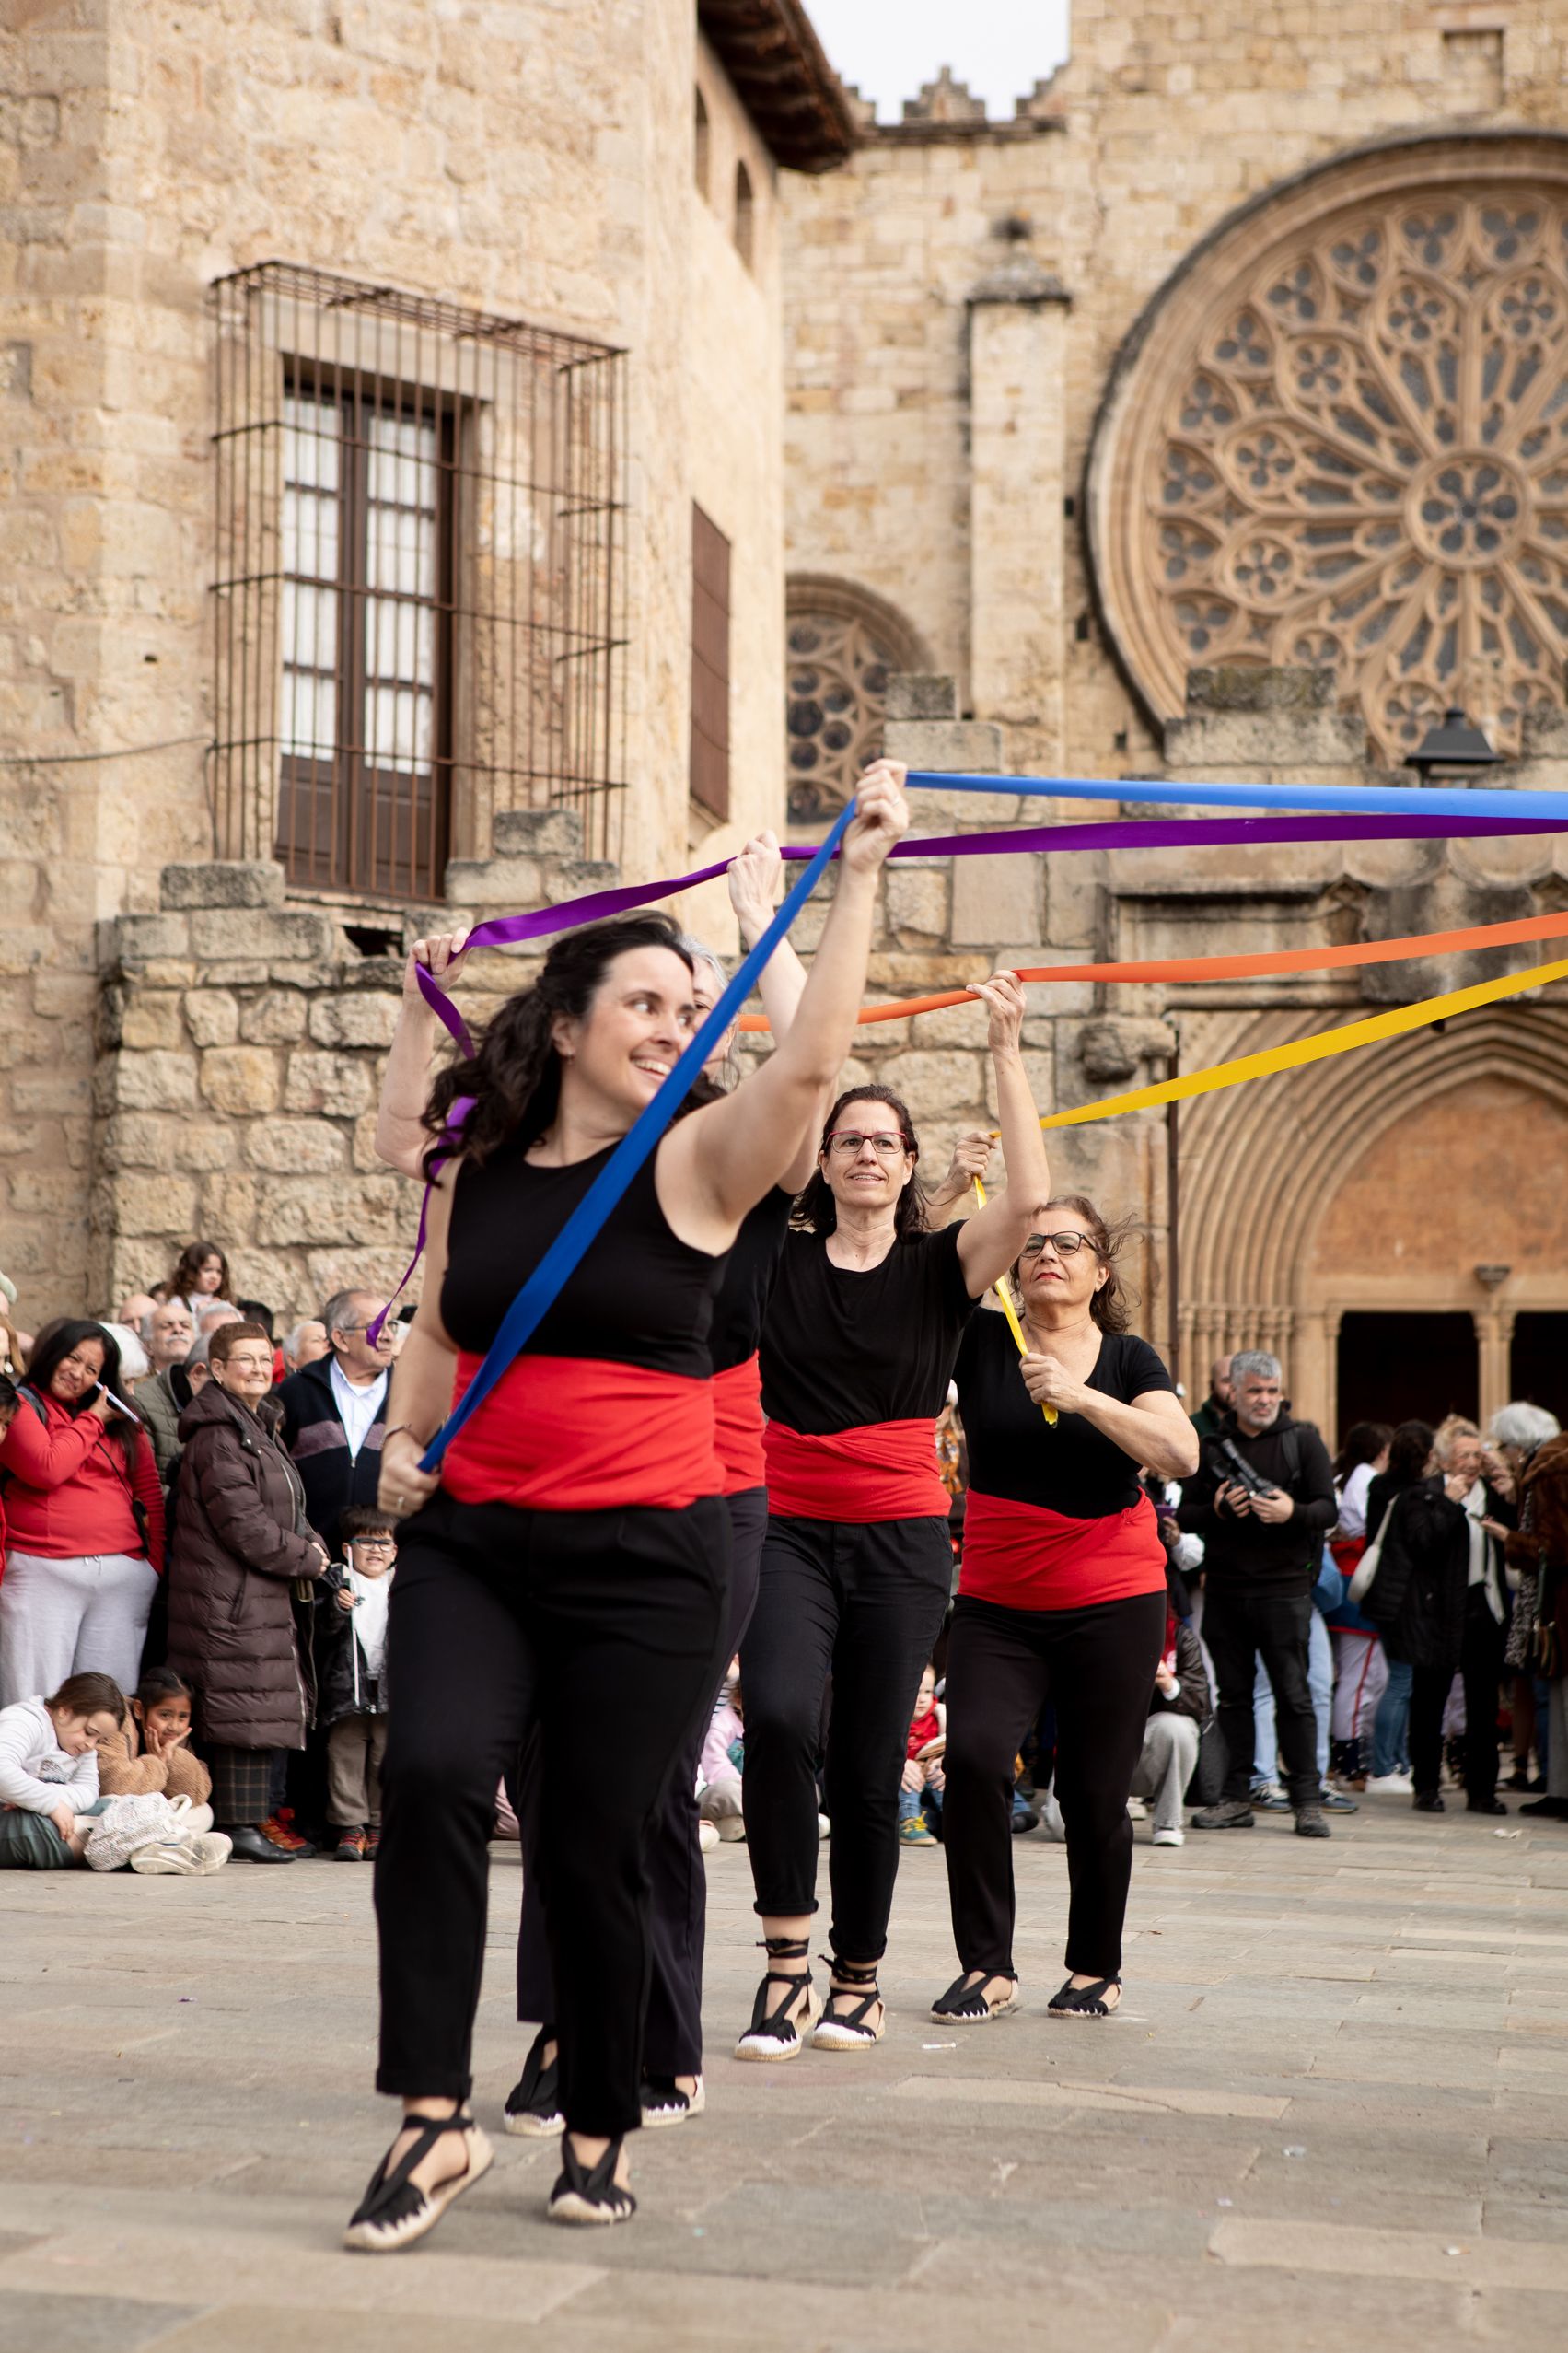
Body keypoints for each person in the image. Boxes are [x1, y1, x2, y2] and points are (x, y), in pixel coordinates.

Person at [355, 761, 911, 2244]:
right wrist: (402, 1447)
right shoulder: (479, 1161)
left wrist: (846, 883)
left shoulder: (699, 1163)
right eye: (649, 1001)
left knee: (597, 1835)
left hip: (646, 1558)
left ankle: (600, 2113)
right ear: (566, 1023)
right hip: (473, 1540)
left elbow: (806, 1067)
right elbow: (437, 1330)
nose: (677, 1020)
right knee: (428, 1784)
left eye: (688, 1003)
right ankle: (429, 2115)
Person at [504, 842, 830, 2140]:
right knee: (548, 1767)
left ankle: (652, 2031)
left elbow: (808, 1066)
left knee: (633, 1772)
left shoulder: (726, 1167)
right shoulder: (543, 1168)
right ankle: (563, 2020)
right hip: (544, 1489)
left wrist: (766, 922)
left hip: (703, 1492)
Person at [736, 977, 1049, 2067]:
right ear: (820, 1162)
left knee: (869, 1765)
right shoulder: (773, 1254)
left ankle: (856, 1978)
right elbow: (802, 1072)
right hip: (782, 1527)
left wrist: (1004, 1044)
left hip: (899, 1543)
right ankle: (783, 1958)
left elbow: (1025, 1194)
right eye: (847, 1140)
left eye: (884, 1140)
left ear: (911, 1164)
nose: (865, 1152)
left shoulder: (941, 1266)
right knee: (775, 1715)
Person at [932, 1200, 1198, 2023]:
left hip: (1111, 1597)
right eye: (1033, 1241)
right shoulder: (980, 1341)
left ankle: (1094, 1964)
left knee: (1092, 1790)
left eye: (1068, 1243)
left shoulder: (1126, 1358)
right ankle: (987, 1964)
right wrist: (948, 1189)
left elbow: (1179, 1451)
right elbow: (918, 1275)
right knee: (974, 1759)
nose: (1047, 1253)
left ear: (1099, 1270)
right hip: (998, 1596)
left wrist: (1082, 1397)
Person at [165, 1321, 329, 1862]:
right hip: (229, 1597)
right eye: (245, 1360)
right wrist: (309, 1557)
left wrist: (313, 1543)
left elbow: (289, 1509)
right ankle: (237, 1825)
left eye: (265, 1359)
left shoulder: (255, 1424)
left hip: (253, 1593)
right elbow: (247, 1527)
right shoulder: (218, 1434)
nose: (258, 1369)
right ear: (216, 1369)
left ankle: (250, 1820)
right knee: (240, 1709)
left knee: (254, 1704)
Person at [1176, 1350, 1337, 1838]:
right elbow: (1185, 1515)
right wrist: (1220, 1508)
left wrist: (1292, 1512)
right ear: (1235, 1393)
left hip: (1285, 1591)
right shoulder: (1211, 1445)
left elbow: (1328, 1511)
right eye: (1254, 1391)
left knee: (1294, 1695)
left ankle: (1307, 1800)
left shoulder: (1303, 1441)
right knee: (1234, 1698)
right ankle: (1234, 1797)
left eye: (1271, 1391)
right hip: (1226, 1588)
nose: (1264, 1400)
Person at [0, 1319, 166, 1709]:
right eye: (73, 1358)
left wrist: (151, 1566)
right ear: (53, 1353)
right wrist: (93, 1419)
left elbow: (149, 1491)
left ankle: (109, 1775)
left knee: (108, 1707)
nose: (78, 1373)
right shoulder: (21, 1404)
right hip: (45, 1573)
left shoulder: (122, 1420)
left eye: (92, 1369)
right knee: (34, 1702)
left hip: (121, 1578)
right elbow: (46, 1467)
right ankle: (27, 1774)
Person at [1361, 1417, 1513, 1812]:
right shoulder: (1422, 1494)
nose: (1472, 1463)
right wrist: (1448, 1500)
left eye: (1477, 1454)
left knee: (1483, 1705)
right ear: (1444, 1460)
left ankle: (1483, 1790)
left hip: (1484, 1605)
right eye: (1464, 1455)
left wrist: (1509, 1486)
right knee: (1430, 1701)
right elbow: (1422, 1542)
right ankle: (1426, 1786)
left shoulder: (1492, 1494)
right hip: (1437, 1610)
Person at [278, 1291, 396, 1556]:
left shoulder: (411, 1395)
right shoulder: (297, 1391)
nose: (388, 1335)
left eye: (392, 1325)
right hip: (309, 1562)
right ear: (341, 1338)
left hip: (385, 1568)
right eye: (376, 1326)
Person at [1493, 1404, 1568, 1822]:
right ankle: (1558, 1792)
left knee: (1561, 1699)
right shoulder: (1555, 1463)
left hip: (1559, 1602)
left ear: (1519, 1445)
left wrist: (1510, 1540)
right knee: (1555, 1698)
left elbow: (1555, 1547)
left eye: (1505, 1447)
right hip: (1555, 1601)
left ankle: (1562, 1792)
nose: (1505, 1456)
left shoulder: (1549, 1471)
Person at [315, 1505, 397, 1861]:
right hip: (346, 1689)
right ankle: (350, 1827)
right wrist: (335, 1607)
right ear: (348, 1548)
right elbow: (319, 1632)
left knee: (385, 1757)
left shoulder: (404, 1585)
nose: (375, 1550)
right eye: (366, 1542)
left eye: (384, 1544)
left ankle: (379, 1825)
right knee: (345, 1757)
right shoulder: (337, 1581)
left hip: (391, 1690)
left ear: (395, 1552)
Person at [1325, 1422, 1392, 1789]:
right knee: (1359, 1678)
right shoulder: (1366, 1478)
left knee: (1359, 1676)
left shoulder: (1348, 1476)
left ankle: (1346, 1758)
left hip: (1346, 1581)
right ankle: (1349, 1762)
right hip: (1357, 1584)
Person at [0, 1671, 124, 1867]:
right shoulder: (26, 1720)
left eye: (98, 1740)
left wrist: (40, 1799)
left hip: (43, 1809)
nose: (91, 1745)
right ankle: (119, 1850)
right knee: (44, 1830)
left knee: (114, 1807)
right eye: (89, 1732)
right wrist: (49, 1803)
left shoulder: (84, 1747)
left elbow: (89, 1791)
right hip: (9, 1816)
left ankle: (117, 1845)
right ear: (65, 1710)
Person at [1130, 1602, 1211, 1847]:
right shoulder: (1094, 1631)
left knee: (1176, 1728)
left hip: (1148, 1752)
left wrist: (1167, 1683)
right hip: (1100, 1749)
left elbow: (1200, 1703)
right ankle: (1109, 1806)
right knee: (1062, 1827)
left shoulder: (1180, 1638)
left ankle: (1168, 1821)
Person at [97, 1664, 213, 1809]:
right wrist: (157, 1762)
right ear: (139, 1709)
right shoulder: (118, 1720)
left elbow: (197, 1793)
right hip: (114, 1807)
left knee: (204, 1811)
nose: (174, 1726)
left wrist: (172, 1756)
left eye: (182, 1717)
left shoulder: (177, 1736)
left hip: (150, 1807)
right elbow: (113, 1786)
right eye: (165, 1715)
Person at [134, 1299, 197, 1484]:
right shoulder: (137, 1394)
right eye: (167, 1326)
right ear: (148, 1345)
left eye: (185, 1325)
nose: (178, 1330)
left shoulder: (213, 1390)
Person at [898, 1662, 945, 1846]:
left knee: (941, 1778)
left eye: (927, 1692)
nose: (923, 1699)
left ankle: (957, 1820)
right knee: (910, 1779)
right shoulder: (899, 1718)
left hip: (931, 1772)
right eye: (916, 1692)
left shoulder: (937, 1716)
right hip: (904, 1778)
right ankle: (909, 1821)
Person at [167, 1241, 234, 1324]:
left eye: (219, 1272)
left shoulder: (224, 1303)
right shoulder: (178, 1303)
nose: (214, 1276)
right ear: (191, 1272)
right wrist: (198, 1316)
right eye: (208, 1270)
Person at [1190, 1355, 1234, 1442]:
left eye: (1240, 1381)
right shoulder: (1193, 1426)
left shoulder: (1257, 1424)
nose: (1234, 1387)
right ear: (1212, 1385)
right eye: (1227, 1381)